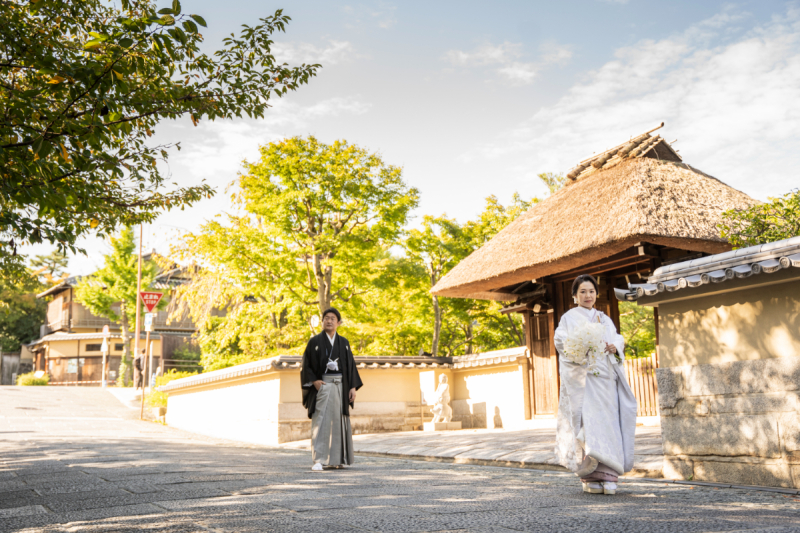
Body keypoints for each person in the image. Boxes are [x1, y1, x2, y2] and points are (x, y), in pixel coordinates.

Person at [553, 274, 637, 496]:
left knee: (607, 422)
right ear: (574, 296)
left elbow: (617, 338)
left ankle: (610, 473)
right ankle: (590, 475)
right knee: (587, 424)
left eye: (591, 291)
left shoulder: (604, 318)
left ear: (596, 294)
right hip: (584, 379)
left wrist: (614, 347)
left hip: (605, 380)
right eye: (582, 292)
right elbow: (561, 342)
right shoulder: (568, 318)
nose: (587, 295)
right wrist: (581, 350)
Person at [300, 307, 363, 471]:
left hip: (341, 385)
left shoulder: (344, 343)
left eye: (332, 318)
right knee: (321, 421)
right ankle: (319, 459)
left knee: (339, 422)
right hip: (324, 385)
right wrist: (315, 381)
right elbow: (306, 366)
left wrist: (353, 387)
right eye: (326, 318)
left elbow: (350, 367)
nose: (329, 321)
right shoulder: (314, 342)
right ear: (322, 322)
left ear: (339, 323)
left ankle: (337, 459)